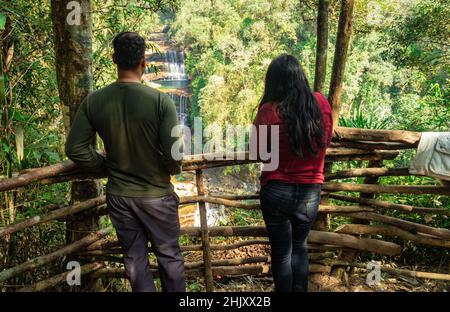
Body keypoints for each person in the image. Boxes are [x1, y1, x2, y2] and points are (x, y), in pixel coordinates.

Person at [65, 32, 185, 292]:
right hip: (157, 196)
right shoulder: (160, 101)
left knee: (135, 259)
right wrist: (171, 169)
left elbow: (75, 148)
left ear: (113, 59)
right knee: (170, 257)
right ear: (144, 61)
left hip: (120, 197)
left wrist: (104, 167)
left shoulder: (94, 101)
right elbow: (175, 155)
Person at [251, 54, 333, 292]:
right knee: (300, 247)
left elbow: (258, 152)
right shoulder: (320, 103)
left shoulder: (269, 110)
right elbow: (325, 140)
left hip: (276, 189)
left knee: (281, 252)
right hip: (310, 191)